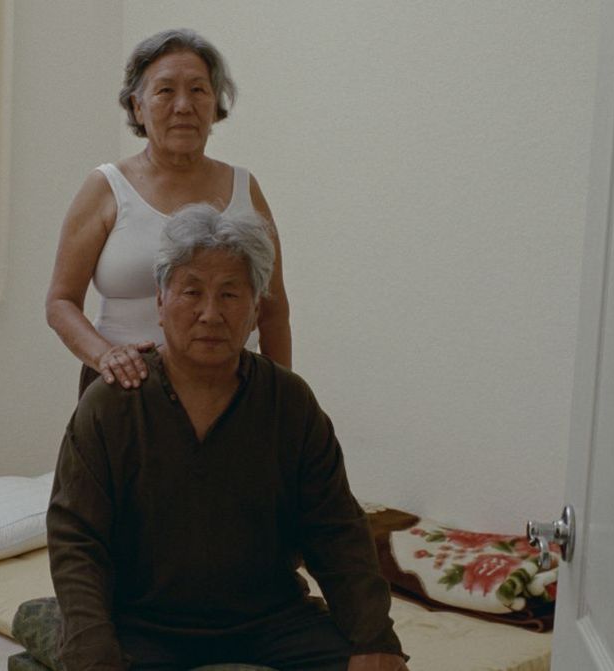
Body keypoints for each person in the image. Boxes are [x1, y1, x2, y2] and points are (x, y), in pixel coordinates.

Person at [47, 204, 408, 670]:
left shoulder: (288, 402)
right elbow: (76, 538)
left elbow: (336, 528)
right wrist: (91, 651)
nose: (210, 313)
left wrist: (374, 636)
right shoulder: (113, 403)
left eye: (231, 294)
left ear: (256, 309)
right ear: (160, 302)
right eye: (192, 291)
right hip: (143, 623)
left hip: (272, 621)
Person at [46, 29, 291, 396]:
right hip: (124, 391)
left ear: (215, 105)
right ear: (137, 106)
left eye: (198, 90)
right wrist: (106, 356)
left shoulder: (245, 188)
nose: (183, 106)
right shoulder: (106, 187)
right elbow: (60, 302)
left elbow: (273, 310)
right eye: (165, 91)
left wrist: (282, 399)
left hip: (229, 394)